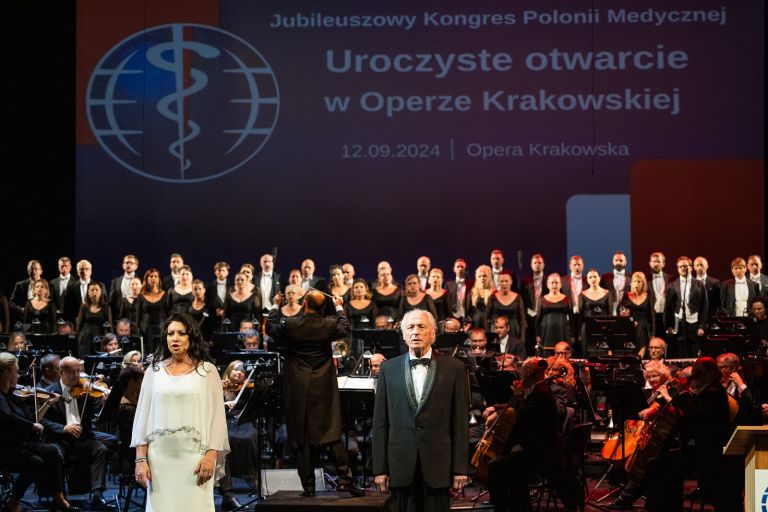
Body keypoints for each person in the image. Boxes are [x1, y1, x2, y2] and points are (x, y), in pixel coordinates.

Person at [266, 290, 363, 497]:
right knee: (332, 431)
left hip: (298, 386)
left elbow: (270, 327)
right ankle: (345, 480)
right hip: (323, 385)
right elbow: (345, 327)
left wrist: (275, 305)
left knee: (302, 436)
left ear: (304, 305)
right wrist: (339, 306)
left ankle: (309, 488)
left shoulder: (291, 324)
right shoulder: (328, 325)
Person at [131, 313, 230, 511]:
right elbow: (142, 417)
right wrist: (141, 459)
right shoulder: (153, 371)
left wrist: (211, 455)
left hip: (195, 457)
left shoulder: (208, 371)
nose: (175, 338)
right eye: (170, 334)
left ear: (191, 337)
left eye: (181, 333)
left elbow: (218, 418)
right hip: (159, 458)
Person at [372, 309, 469, 511]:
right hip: (400, 464)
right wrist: (380, 469)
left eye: (421, 326)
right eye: (410, 327)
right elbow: (380, 422)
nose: (415, 331)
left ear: (433, 334)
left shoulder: (455, 368)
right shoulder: (388, 369)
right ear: (403, 334)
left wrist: (459, 468)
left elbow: (460, 422)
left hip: (438, 464)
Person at [0, 352, 74, 512]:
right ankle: (14, 502)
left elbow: (32, 419)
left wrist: (47, 404)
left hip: (21, 444)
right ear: (6, 373)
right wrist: (31, 426)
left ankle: (59, 497)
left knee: (51, 450)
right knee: (35, 462)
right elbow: (8, 417)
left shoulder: (13, 395)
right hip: (6, 447)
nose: (19, 375)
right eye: (16, 371)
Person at [41, 356, 117, 510]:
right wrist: (64, 428)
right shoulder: (49, 393)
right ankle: (60, 497)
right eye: (72, 372)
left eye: (78, 371)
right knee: (54, 454)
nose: (77, 375)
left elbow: (97, 414)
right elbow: (42, 420)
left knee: (101, 449)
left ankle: (97, 495)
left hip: (83, 438)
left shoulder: (86, 391)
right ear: (61, 372)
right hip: (59, 439)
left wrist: (104, 403)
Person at [664, 256, 708, 358]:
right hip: (678, 322)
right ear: (678, 269)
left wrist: (702, 326)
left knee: (693, 347)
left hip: (693, 321)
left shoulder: (699, 284)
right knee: (679, 347)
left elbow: (704, 306)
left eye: (685, 266)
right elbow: (668, 308)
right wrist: (668, 326)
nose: (683, 268)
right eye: (680, 267)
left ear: (691, 267)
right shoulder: (672, 285)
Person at [619, 272, 654, 357]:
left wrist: (653, 335)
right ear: (632, 283)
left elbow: (652, 316)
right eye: (635, 281)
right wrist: (625, 314)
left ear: (643, 283)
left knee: (641, 328)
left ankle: (641, 355)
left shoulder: (648, 296)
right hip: (630, 325)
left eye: (639, 281)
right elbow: (620, 311)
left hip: (644, 326)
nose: (637, 284)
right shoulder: (626, 296)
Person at [536, 273, 571, 352]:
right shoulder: (542, 300)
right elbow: (538, 318)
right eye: (552, 282)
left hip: (563, 331)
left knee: (562, 352)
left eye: (556, 282)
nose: (554, 285)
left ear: (560, 284)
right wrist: (537, 335)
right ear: (547, 285)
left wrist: (572, 335)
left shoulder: (567, 299)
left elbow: (572, 318)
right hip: (547, 332)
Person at [76, 282, 113, 357]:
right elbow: (79, 326)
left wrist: (111, 340)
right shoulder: (83, 307)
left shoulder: (106, 307)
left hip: (100, 337)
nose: (94, 292)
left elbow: (110, 326)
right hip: (85, 338)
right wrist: (78, 338)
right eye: (92, 290)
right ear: (88, 292)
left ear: (100, 292)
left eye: (96, 290)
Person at [486, 270, 525, 339]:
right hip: (496, 332)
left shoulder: (518, 298)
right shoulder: (492, 297)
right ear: (498, 282)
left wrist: (522, 338)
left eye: (506, 281)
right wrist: (489, 334)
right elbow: (487, 318)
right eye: (501, 281)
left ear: (511, 282)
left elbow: (522, 320)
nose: (504, 283)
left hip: (513, 331)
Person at [137, 268, 167, 352]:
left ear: (159, 279)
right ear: (146, 279)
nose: (153, 278)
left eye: (155, 276)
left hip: (161, 328)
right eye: (151, 276)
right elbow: (138, 315)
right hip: (145, 329)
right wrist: (138, 330)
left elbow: (167, 313)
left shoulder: (164, 294)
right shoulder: (141, 295)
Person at [469, 265, 495, 330]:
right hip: (475, 323)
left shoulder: (494, 293)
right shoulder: (472, 292)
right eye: (479, 276)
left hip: (489, 324)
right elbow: (469, 311)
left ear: (489, 277)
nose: (482, 278)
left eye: (484, 276)